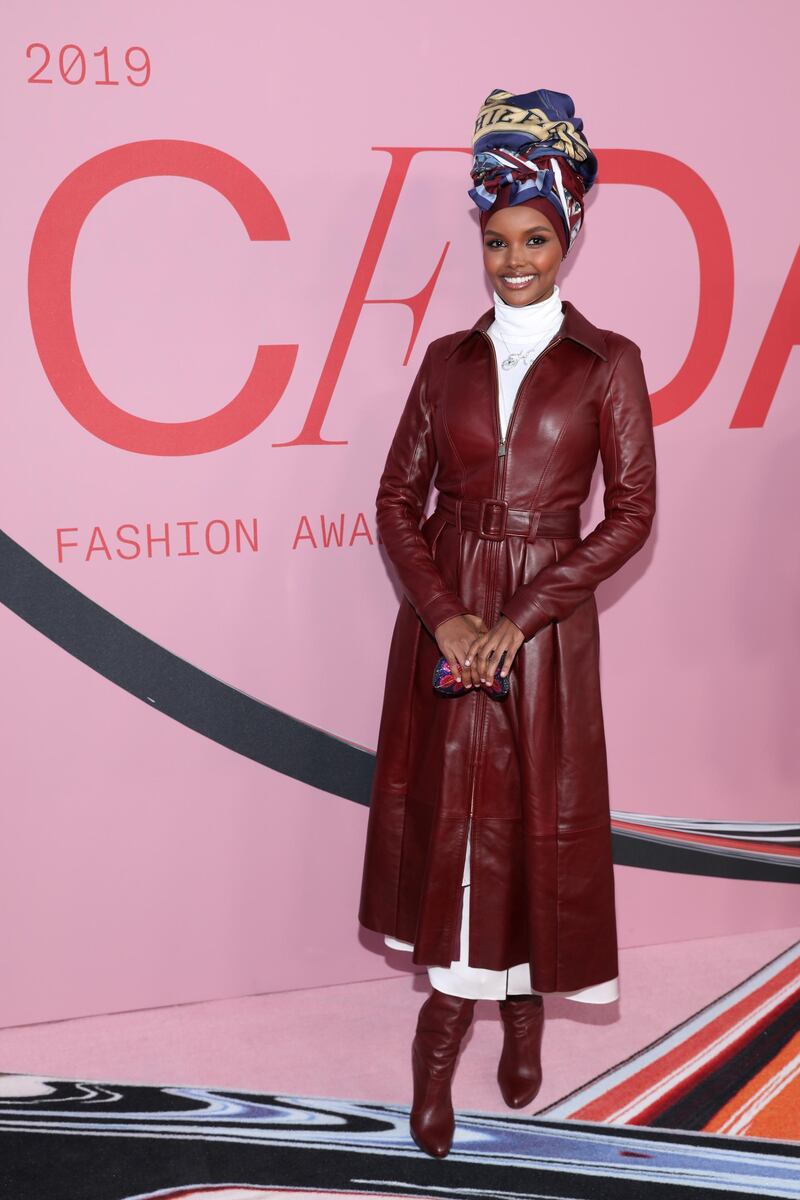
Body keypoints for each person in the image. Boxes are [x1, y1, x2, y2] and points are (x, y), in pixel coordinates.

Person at [358, 87, 657, 1158]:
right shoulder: (442, 360)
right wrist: (443, 619)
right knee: (453, 834)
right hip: (442, 634)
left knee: (533, 827)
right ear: (478, 243)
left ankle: (522, 1015)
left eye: (533, 237)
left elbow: (629, 516)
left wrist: (520, 618)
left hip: (544, 641)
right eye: (496, 240)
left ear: (565, 237)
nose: (514, 258)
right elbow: (396, 501)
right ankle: (437, 1057)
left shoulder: (606, 363)